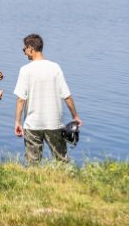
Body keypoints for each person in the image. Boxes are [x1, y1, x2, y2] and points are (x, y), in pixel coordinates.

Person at [12, 34, 81, 164]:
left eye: (24, 49)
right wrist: (75, 116)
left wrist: (17, 122)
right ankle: (64, 182)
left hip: (32, 124)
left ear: (31, 49)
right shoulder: (55, 67)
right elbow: (67, 95)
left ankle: (35, 182)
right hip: (54, 123)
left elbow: (21, 99)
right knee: (61, 160)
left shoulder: (25, 70)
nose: (24, 53)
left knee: (33, 163)